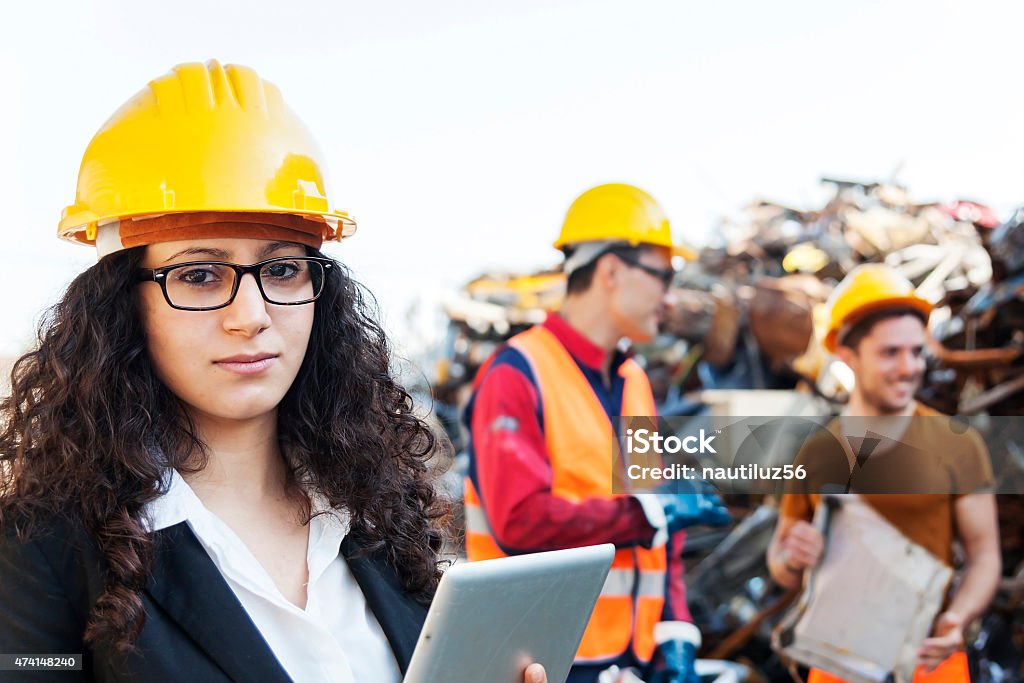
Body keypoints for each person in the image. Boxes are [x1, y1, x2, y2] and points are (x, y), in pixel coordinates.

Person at [0, 60, 548, 683]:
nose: (252, 316)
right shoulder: (41, 551)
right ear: (121, 303)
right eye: (199, 275)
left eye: (284, 269)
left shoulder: (378, 511)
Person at [463, 183, 731, 683]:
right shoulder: (516, 373)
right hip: (543, 665)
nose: (670, 299)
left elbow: (660, 534)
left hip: (632, 664)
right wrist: (647, 513)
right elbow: (520, 521)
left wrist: (675, 633)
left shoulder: (634, 384)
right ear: (610, 271)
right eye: (663, 277)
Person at [767, 264, 1001, 682]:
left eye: (916, 351)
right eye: (890, 353)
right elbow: (781, 563)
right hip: (836, 663)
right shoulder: (818, 452)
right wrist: (791, 557)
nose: (909, 367)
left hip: (928, 663)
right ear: (847, 354)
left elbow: (985, 556)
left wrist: (957, 619)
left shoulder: (956, 444)